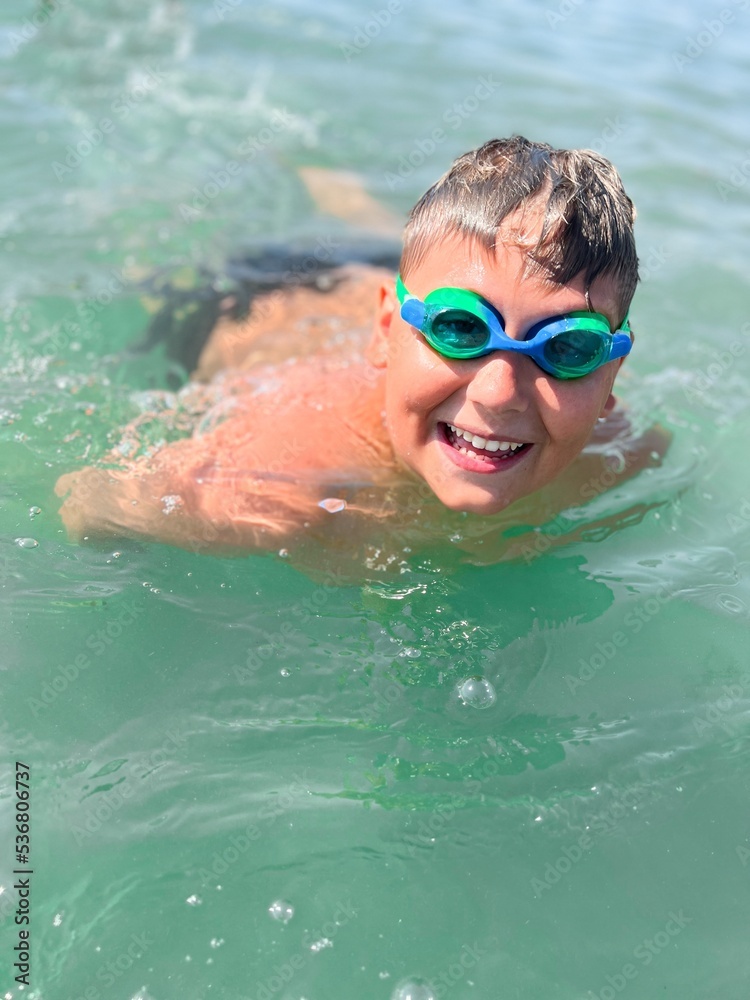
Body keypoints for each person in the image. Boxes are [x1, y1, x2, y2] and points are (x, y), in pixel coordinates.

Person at [55, 136, 668, 574]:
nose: (499, 391)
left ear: (612, 369)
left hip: (425, 280)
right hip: (246, 299)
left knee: (443, 251)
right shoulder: (278, 486)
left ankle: (342, 190)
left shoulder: (623, 459)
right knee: (149, 260)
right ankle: (291, 153)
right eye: (460, 330)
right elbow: (89, 501)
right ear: (385, 330)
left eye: (568, 347)